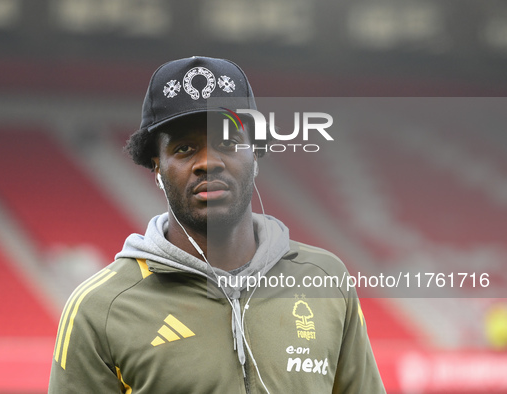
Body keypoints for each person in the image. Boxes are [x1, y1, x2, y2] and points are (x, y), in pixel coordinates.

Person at [48, 56, 386, 393]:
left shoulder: (326, 277)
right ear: (156, 167)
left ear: (256, 153)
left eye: (228, 142)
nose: (208, 162)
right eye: (184, 148)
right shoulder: (100, 308)